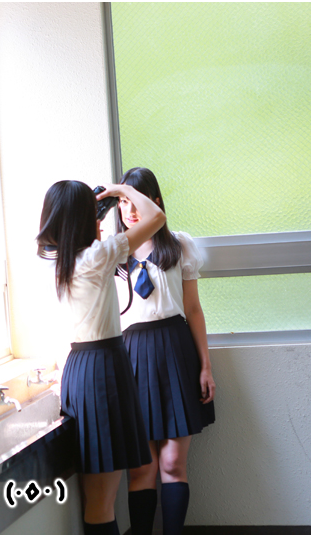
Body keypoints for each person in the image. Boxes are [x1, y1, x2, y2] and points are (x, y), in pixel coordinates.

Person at [37, 180, 167, 535]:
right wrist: (120, 189)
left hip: (80, 367)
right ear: (83, 218)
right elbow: (156, 217)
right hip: (104, 368)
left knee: (96, 498)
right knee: (101, 502)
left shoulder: (54, 261)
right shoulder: (96, 257)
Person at [115, 167, 216, 535]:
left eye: (136, 200)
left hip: (175, 350)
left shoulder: (178, 245)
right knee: (142, 467)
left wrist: (205, 366)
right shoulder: (111, 252)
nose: (129, 209)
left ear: (155, 202)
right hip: (131, 355)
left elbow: (193, 310)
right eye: (122, 201)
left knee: (173, 463)